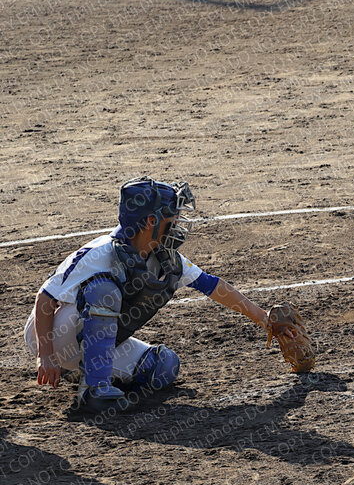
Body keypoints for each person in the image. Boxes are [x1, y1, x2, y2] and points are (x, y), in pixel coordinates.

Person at [24, 177, 304, 413]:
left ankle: (83, 371)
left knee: (163, 367)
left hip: (86, 342)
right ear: (150, 221)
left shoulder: (164, 259)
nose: (178, 223)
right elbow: (45, 298)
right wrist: (45, 356)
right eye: (173, 217)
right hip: (52, 334)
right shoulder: (99, 254)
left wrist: (264, 319)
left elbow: (213, 286)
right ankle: (94, 391)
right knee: (104, 291)